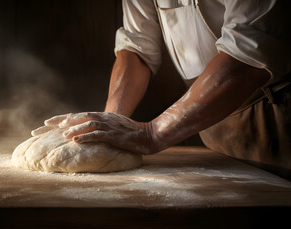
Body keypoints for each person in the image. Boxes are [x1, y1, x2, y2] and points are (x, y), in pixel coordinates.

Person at [33, 0, 291, 173]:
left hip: (276, 116)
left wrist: (153, 133)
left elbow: (249, 55)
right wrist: (110, 122)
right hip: (211, 122)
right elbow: (136, 47)